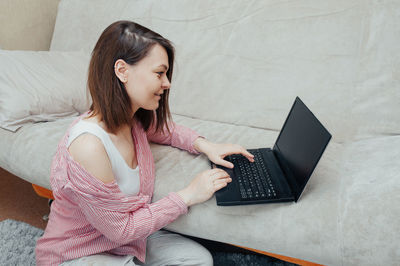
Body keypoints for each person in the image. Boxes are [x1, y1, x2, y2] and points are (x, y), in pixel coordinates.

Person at [35, 20, 254, 266]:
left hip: (128, 243)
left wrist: (207, 146)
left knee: (198, 260)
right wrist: (188, 195)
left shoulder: (132, 121)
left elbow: (167, 131)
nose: (167, 83)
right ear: (122, 71)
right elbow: (120, 229)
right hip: (78, 253)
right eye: (159, 73)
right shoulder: (89, 146)